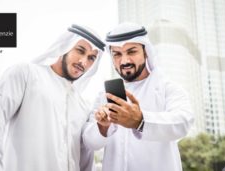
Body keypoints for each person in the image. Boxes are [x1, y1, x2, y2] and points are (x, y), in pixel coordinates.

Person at [0, 24, 105, 171]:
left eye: (91, 58)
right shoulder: (26, 74)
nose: (84, 62)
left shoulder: (82, 106)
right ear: (65, 46)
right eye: (80, 51)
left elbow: (85, 160)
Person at [82, 23, 194, 171]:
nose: (124, 61)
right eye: (117, 54)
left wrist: (140, 121)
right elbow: (90, 143)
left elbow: (183, 123)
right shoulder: (105, 95)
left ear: (146, 52)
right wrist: (102, 127)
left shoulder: (167, 88)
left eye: (132, 52)